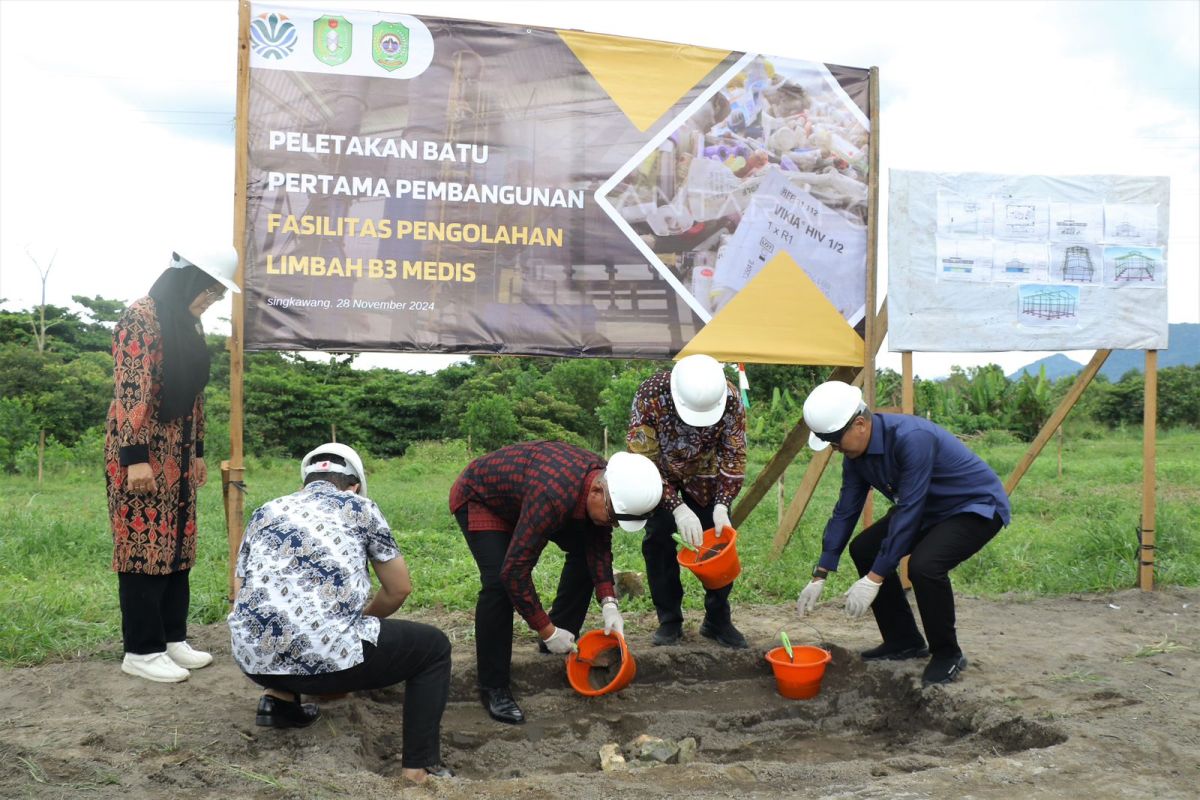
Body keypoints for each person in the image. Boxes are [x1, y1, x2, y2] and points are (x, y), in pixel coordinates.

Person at [228, 444, 452, 783]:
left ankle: (280, 704)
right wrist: (360, 621)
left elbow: (240, 591)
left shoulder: (267, 510)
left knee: (286, 621)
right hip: (325, 658)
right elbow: (398, 588)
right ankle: (418, 769)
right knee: (434, 648)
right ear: (355, 485)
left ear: (306, 482)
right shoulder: (359, 506)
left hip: (251, 660)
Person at [795, 381, 1011, 686]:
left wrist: (874, 579)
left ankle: (948, 654)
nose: (834, 448)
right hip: (926, 508)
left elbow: (909, 509)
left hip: (973, 507)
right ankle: (903, 640)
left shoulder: (912, 438)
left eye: (835, 440)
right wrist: (821, 571)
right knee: (864, 548)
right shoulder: (855, 457)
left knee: (925, 566)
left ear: (859, 423)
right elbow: (846, 510)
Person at [450, 442, 662, 725]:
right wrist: (546, 629)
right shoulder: (553, 496)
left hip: (528, 496)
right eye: (614, 519)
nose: (613, 526)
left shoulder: (605, 480)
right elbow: (515, 572)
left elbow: (597, 546)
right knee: (498, 585)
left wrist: (609, 603)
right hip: (482, 498)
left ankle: (561, 638)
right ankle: (494, 688)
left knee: (586, 554)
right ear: (597, 492)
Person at [106, 245, 240, 683]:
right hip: (141, 452)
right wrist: (135, 457)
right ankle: (142, 650)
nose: (212, 300)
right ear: (190, 280)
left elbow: (194, 395)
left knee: (179, 544)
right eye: (211, 291)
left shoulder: (188, 323)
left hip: (179, 452)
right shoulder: (140, 317)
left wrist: (198, 452)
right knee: (143, 547)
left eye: (218, 295)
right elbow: (132, 390)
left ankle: (171, 637)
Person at [627, 354, 749, 649]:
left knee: (719, 541)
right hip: (658, 473)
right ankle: (669, 621)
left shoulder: (731, 397)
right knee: (658, 540)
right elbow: (642, 458)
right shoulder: (651, 394)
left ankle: (717, 619)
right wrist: (676, 507)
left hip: (706, 474)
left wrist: (722, 504)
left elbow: (734, 453)